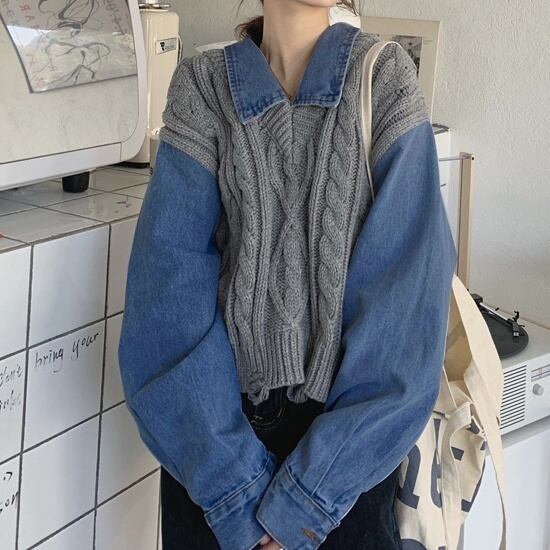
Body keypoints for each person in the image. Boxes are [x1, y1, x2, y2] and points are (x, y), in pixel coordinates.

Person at [117, 1, 457, 549]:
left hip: (346, 460)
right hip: (214, 442)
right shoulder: (204, 87)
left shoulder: (383, 78)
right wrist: (236, 491)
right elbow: (165, 303)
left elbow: (404, 318)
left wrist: (307, 501)